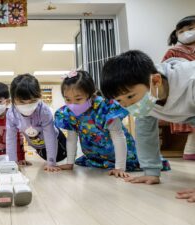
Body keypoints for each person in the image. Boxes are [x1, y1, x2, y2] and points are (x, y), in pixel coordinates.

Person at [100, 50, 195, 202]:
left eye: (130, 96)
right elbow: (145, 135)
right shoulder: (147, 99)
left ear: (156, 81)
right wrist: (151, 171)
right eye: (120, 101)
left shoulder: (191, 82)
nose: (129, 105)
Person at [55, 70, 144, 177]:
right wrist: (70, 163)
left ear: (91, 94)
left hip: (124, 158)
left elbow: (118, 137)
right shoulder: (69, 113)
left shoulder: (105, 108)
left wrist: (120, 167)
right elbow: (71, 138)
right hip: (95, 159)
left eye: (78, 99)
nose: (73, 104)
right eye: (68, 99)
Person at [6, 74, 67, 172]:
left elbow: (50, 137)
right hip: (38, 146)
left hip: (57, 142)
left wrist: (51, 163)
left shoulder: (44, 111)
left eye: (33, 101)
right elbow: (10, 139)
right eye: (22, 102)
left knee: (58, 161)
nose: (28, 105)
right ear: (12, 100)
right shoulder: (11, 114)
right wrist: (12, 163)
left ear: (39, 97)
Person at [162, 15, 195, 160]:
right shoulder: (173, 51)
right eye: (180, 31)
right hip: (184, 91)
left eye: (191, 29)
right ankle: (190, 150)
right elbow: (163, 71)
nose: (186, 33)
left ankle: (190, 151)